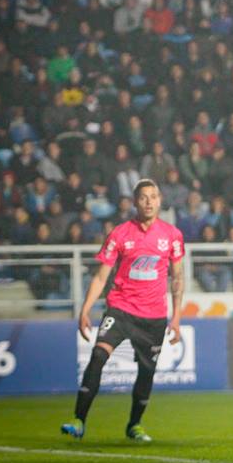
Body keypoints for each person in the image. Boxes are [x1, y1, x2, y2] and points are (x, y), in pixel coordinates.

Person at [61, 179, 186, 442]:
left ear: (160, 201)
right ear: (135, 202)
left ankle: (134, 425)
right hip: (120, 309)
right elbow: (100, 277)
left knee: (146, 372)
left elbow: (177, 278)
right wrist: (85, 310)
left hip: (153, 316)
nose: (149, 202)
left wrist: (176, 317)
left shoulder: (172, 235)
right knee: (98, 356)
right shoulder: (120, 234)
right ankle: (78, 420)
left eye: (153, 197)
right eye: (143, 197)